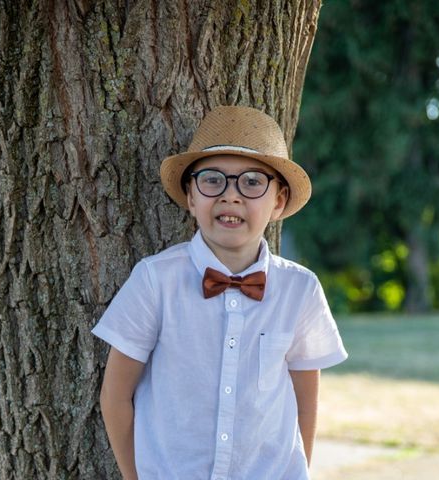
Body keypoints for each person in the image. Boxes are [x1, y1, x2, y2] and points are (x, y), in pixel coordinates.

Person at [92, 105, 348, 480]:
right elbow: (115, 397)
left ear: (278, 201)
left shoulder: (301, 290)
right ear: (191, 197)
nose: (231, 196)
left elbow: (305, 402)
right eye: (212, 180)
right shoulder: (154, 281)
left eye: (252, 182)